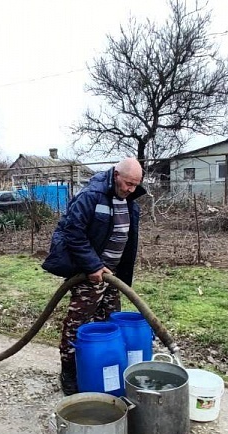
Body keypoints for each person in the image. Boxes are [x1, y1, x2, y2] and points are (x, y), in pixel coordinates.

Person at [42, 157, 146, 395]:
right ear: (116, 175)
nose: (131, 189)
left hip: (112, 275)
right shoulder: (92, 195)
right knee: (78, 325)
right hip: (90, 274)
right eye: (128, 183)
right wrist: (92, 266)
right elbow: (72, 232)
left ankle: (100, 370)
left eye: (135, 185)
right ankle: (69, 373)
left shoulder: (130, 199)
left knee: (110, 323)